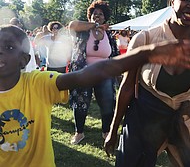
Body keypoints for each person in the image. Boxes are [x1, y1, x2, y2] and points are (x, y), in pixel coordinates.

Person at [1, 24, 190, 166]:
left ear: (24, 60)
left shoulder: (37, 83)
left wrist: (145, 54)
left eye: (9, 48)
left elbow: (86, 75)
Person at [104, 0, 190, 167]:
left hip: (183, 121)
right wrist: (113, 129)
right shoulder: (146, 39)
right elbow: (126, 87)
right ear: (172, 1)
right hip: (143, 120)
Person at [68, 0, 119, 144]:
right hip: (84, 73)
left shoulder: (109, 35)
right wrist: (94, 25)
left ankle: (106, 131)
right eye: (94, 13)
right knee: (81, 103)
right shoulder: (83, 32)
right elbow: (71, 25)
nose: (97, 16)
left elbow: (114, 55)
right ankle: (79, 132)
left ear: (105, 17)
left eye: (101, 14)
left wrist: (119, 74)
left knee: (107, 103)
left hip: (105, 74)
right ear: (90, 16)